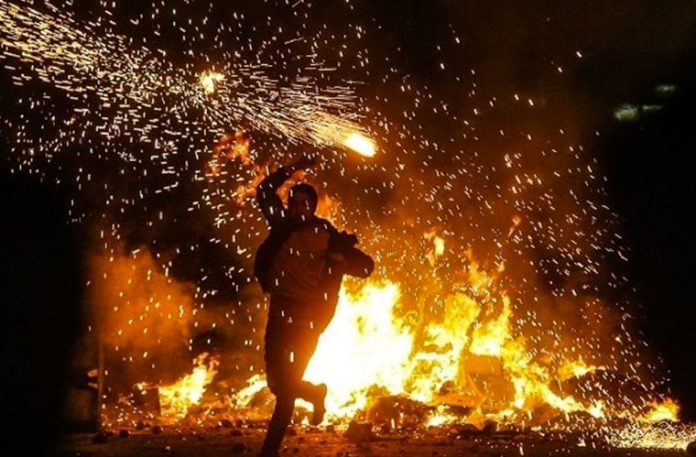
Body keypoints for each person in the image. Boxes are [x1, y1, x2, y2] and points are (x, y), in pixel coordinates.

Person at [254, 154, 374, 457]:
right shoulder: (281, 226)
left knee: (287, 388)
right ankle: (315, 392)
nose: (297, 208)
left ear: (313, 208)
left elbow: (366, 266)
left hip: (308, 316)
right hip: (280, 310)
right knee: (276, 383)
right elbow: (265, 191)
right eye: (293, 203)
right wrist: (293, 168)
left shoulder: (326, 235)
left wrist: (341, 260)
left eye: (303, 204)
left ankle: (268, 452)